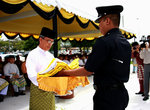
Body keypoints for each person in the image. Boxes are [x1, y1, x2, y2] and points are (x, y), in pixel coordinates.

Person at [57, 5, 131, 110]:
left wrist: (64, 73)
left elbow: (87, 70)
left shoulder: (104, 42)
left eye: (100, 22)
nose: (99, 26)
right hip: (121, 94)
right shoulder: (126, 43)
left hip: (106, 97)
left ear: (108, 21)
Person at [26, 27, 56, 110]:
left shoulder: (50, 56)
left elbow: (54, 71)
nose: (50, 44)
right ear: (40, 39)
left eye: (52, 42)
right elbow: (31, 75)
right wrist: (44, 82)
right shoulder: (32, 54)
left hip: (50, 88)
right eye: (48, 41)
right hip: (38, 88)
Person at [140, 35, 150, 101]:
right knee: (146, 81)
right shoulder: (145, 48)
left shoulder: (148, 49)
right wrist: (143, 50)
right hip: (146, 65)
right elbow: (141, 57)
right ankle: (146, 94)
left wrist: (148, 49)